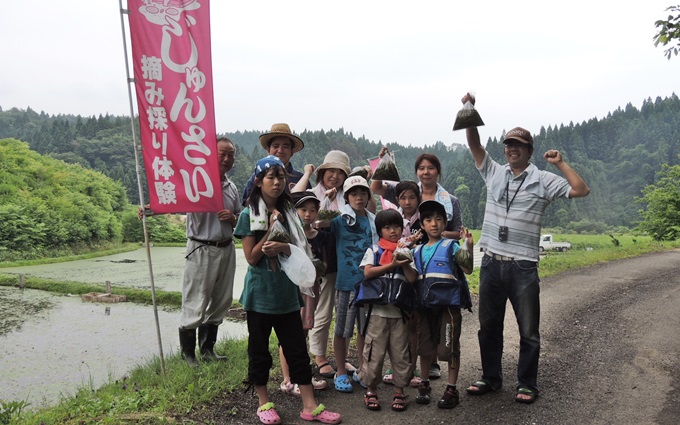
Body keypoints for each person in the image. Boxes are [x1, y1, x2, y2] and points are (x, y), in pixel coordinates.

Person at [461, 93, 590, 404]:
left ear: (529, 151)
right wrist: (469, 110)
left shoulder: (544, 180)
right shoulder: (493, 171)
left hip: (523, 267)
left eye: (517, 145)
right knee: (487, 328)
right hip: (491, 262)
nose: (511, 149)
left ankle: (527, 383)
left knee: (528, 331)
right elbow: (475, 145)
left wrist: (560, 163)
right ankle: (491, 378)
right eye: (508, 144)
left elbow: (581, 189)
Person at [234, 155, 342, 425]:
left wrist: (284, 247)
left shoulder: (291, 213)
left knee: (296, 350)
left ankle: (309, 405)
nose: (277, 182)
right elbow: (251, 257)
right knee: (259, 350)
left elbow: (299, 249)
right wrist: (271, 230)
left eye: (281, 177)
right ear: (259, 182)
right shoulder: (249, 214)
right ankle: (263, 403)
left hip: (287, 293)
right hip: (260, 295)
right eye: (270, 177)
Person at [292, 150, 374, 377]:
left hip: (344, 264)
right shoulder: (316, 193)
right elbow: (297, 204)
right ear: (322, 173)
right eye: (331, 171)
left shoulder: (347, 195)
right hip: (320, 261)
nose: (334, 176)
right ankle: (319, 355)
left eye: (340, 173)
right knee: (323, 310)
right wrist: (312, 180)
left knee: (344, 314)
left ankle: (343, 359)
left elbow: (368, 214)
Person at [169, 137, 240, 367]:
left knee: (222, 299)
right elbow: (171, 202)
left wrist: (233, 218)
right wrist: (149, 209)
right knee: (195, 298)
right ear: (211, 155)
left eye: (231, 155)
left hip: (226, 248)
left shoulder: (232, 187)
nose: (227, 159)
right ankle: (188, 354)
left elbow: (241, 219)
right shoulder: (195, 182)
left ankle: (207, 349)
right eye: (223, 154)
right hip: (201, 248)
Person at [317, 175, 378, 393]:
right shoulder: (341, 219)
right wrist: (327, 199)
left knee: (364, 330)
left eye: (363, 193)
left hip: (368, 284)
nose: (359, 198)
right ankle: (341, 371)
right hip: (345, 284)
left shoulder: (373, 220)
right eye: (353, 193)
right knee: (342, 331)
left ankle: (362, 369)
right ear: (346, 197)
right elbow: (319, 222)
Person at [412, 200, 474, 409]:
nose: (434, 224)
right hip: (424, 307)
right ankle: (424, 384)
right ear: (422, 225)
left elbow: (467, 269)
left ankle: (451, 388)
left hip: (448, 305)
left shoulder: (451, 245)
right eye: (428, 220)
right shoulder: (417, 250)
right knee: (425, 348)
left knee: (449, 349)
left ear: (445, 222)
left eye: (439, 219)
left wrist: (468, 246)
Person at [358, 209, 418, 412]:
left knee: (401, 354)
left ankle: (400, 391)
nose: (392, 231)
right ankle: (371, 390)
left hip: (399, 313)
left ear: (402, 229)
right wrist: (392, 265)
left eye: (396, 227)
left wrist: (404, 259)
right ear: (380, 230)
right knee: (374, 352)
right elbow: (367, 273)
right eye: (387, 227)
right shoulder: (374, 251)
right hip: (377, 313)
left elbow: (412, 278)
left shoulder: (408, 251)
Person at [278, 191, 328, 395]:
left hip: (311, 289)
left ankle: (302, 375)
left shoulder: (319, 236)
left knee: (304, 330)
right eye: (303, 210)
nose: (308, 214)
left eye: (313, 210)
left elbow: (324, 263)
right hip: (293, 288)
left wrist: (319, 268)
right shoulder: (288, 234)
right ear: (294, 212)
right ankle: (289, 379)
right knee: (289, 333)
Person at [241, 123, 309, 205]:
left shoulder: (301, 179)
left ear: (292, 151)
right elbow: (247, 205)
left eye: (285, 146)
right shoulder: (257, 177)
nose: (280, 150)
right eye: (276, 146)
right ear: (268, 150)